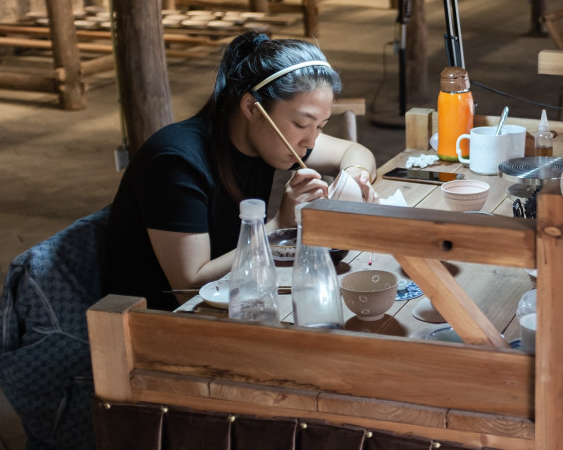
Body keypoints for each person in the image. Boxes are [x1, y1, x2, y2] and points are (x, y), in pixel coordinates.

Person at [103, 32, 377, 310]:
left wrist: (355, 177)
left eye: (321, 126)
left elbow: (354, 152)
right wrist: (279, 225)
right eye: (301, 124)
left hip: (236, 295)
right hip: (161, 321)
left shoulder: (268, 141)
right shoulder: (175, 161)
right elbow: (188, 286)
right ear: (251, 108)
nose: (310, 142)